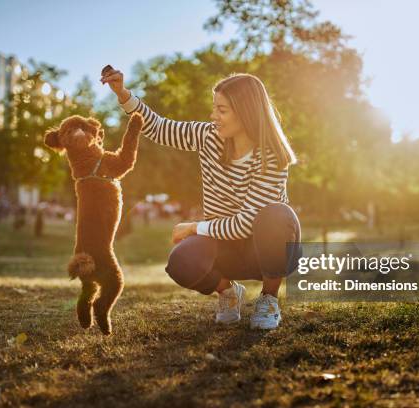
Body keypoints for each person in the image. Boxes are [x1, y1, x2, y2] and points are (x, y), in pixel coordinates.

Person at [101, 68, 301, 330]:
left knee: (277, 215)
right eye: (214, 108)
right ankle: (228, 293)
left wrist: (193, 227)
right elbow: (160, 128)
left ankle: (269, 299)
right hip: (225, 246)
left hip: (263, 249)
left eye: (222, 110)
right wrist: (123, 94)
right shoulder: (208, 137)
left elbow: (245, 224)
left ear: (246, 112)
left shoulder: (271, 157)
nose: (213, 116)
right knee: (181, 262)